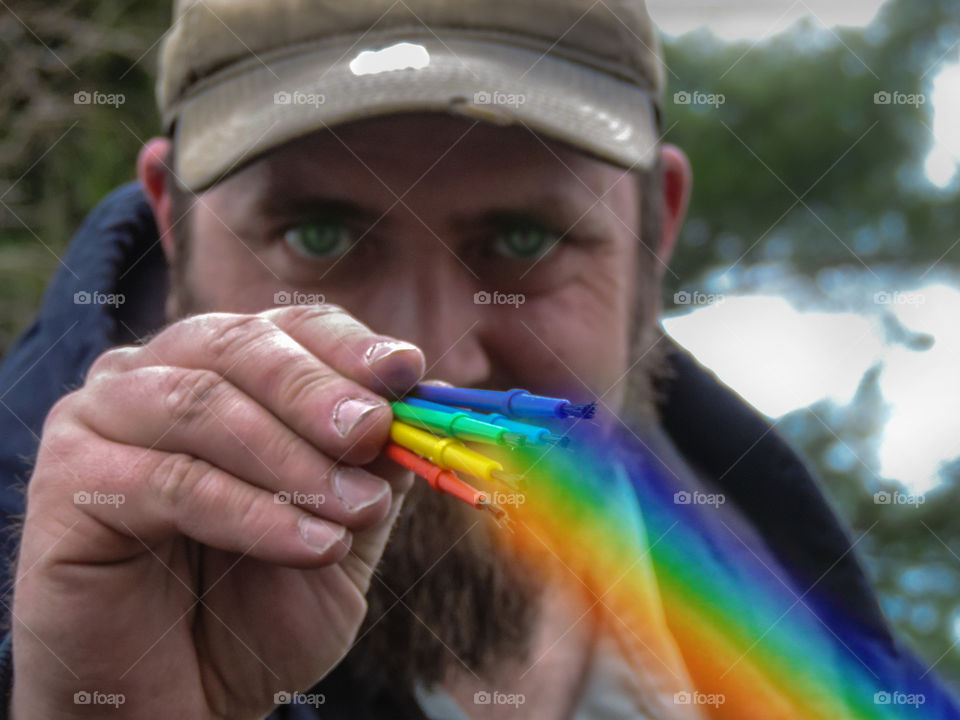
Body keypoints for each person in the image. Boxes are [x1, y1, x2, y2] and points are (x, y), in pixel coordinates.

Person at [0, 0, 957, 718]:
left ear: (655, 232)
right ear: (172, 222)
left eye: (527, 241)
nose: (435, 354)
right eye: (323, 235)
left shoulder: (820, 652)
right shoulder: (61, 619)